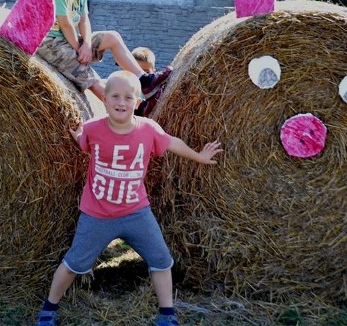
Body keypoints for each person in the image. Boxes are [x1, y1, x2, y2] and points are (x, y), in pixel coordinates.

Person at [35, 71, 223, 326]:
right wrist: (77, 135)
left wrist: (199, 156)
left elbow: (171, 143)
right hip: (96, 214)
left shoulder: (148, 129)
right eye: (114, 96)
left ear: (137, 102)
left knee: (161, 260)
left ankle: (167, 315)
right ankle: (49, 309)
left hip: (136, 212)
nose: (121, 102)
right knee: (73, 264)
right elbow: (84, 142)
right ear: (104, 99)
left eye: (128, 97)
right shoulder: (93, 129)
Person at [36, 0, 170, 101]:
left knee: (112, 37)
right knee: (89, 75)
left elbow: (84, 20)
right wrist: (80, 49)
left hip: (70, 40)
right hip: (51, 45)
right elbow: (65, 24)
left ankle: (144, 80)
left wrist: (86, 44)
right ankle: (134, 111)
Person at [130, 47, 173, 117]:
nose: (142, 76)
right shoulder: (127, 86)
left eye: (146, 72)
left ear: (153, 72)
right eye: (137, 73)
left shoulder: (153, 86)